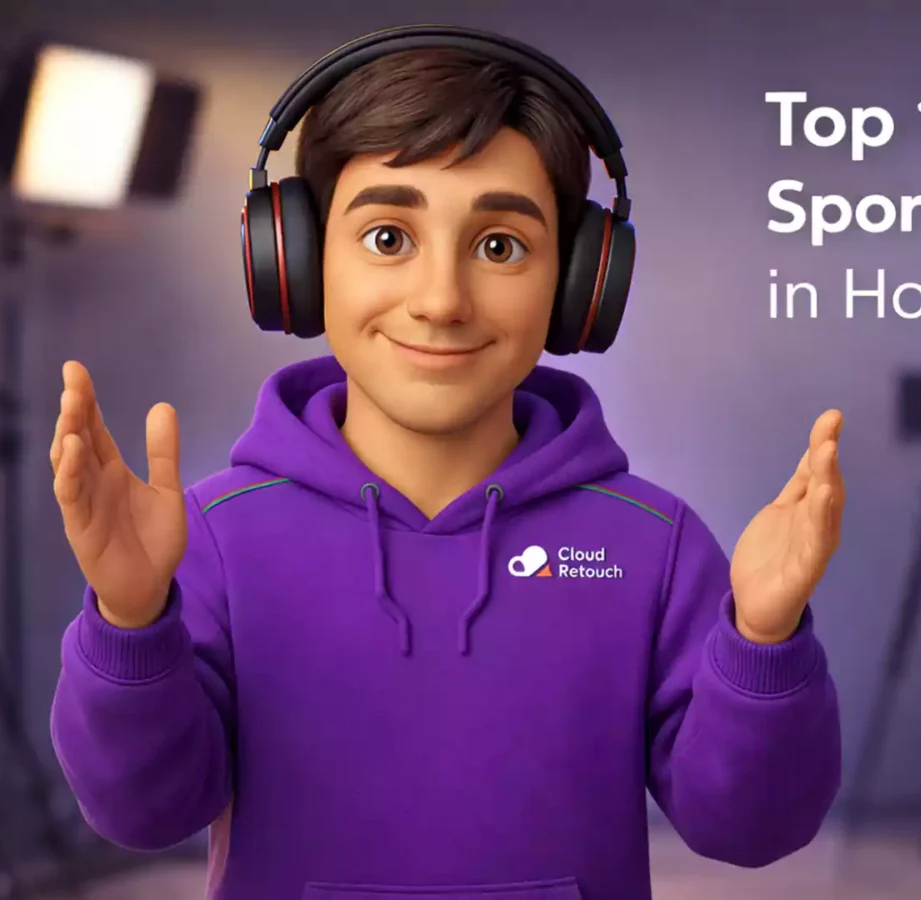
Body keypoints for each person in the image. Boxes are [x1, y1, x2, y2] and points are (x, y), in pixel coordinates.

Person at [47, 29, 845, 900]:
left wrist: (763, 643)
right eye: (389, 237)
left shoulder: (654, 544)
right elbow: (143, 815)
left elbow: (749, 829)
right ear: (298, 263)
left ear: (578, 284)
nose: (441, 301)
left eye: (500, 246)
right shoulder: (213, 537)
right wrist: (131, 624)